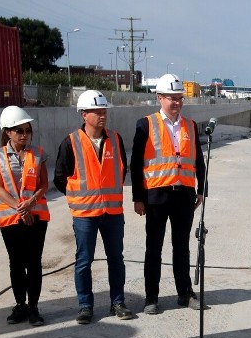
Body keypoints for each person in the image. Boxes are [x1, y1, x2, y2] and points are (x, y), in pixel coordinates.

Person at [54, 90, 133, 324]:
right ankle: (85, 306)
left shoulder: (115, 139)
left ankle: (117, 302)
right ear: (83, 114)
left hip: (112, 212)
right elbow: (60, 178)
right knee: (84, 261)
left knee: (115, 259)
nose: (102, 115)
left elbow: (122, 170)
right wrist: (80, 197)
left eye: (104, 110)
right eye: (97, 111)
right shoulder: (70, 142)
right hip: (85, 214)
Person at [131, 74, 206, 314]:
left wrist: (202, 189)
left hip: (183, 196)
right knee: (153, 247)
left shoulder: (190, 126)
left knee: (181, 247)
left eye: (179, 98)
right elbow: (135, 164)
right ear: (159, 98)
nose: (176, 102)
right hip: (156, 197)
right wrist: (138, 197)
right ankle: (151, 297)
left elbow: (198, 160)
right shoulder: (146, 125)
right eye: (171, 98)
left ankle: (185, 293)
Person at [0, 106, 49, 326]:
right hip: (11, 219)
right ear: (8, 132)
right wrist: (20, 208)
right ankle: (20, 306)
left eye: (27, 130)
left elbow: (44, 184)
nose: (25, 134)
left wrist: (31, 203)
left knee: (34, 262)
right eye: (19, 130)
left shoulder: (39, 153)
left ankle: (33, 308)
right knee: (16, 263)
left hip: (36, 218)